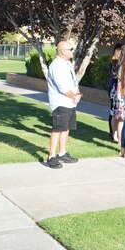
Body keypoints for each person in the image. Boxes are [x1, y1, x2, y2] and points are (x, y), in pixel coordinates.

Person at [46, 40, 82, 169]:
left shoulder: (67, 64)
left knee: (66, 128)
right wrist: (74, 96)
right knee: (57, 129)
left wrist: (78, 93)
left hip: (70, 103)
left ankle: (62, 153)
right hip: (60, 103)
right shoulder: (56, 66)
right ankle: (51, 156)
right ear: (62, 51)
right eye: (70, 49)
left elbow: (73, 82)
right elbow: (62, 87)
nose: (73, 51)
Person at [107, 43, 125, 143]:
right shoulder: (117, 63)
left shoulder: (114, 62)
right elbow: (119, 79)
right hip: (117, 90)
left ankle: (113, 134)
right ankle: (116, 135)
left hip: (113, 89)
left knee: (114, 113)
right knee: (118, 115)